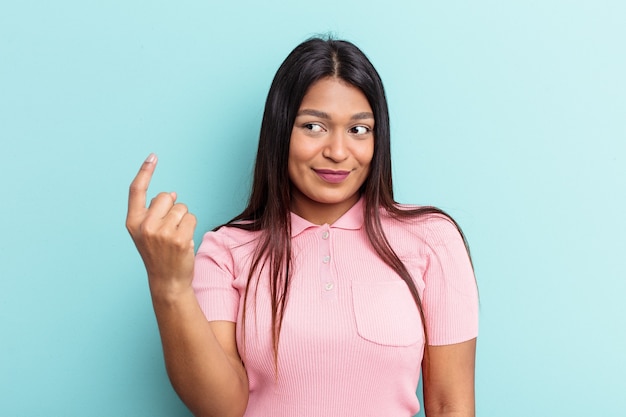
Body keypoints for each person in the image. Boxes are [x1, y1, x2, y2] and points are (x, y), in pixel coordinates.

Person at [126, 37, 479, 417]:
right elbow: (221, 409)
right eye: (313, 126)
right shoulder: (227, 250)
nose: (338, 152)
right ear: (280, 132)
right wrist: (169, 285)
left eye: (359, 130)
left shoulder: (432, 239)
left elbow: (449, 405)